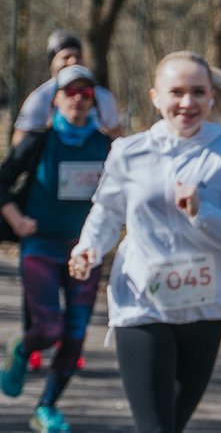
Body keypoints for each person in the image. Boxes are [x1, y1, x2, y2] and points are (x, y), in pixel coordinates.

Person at [68, 50, 221, 433]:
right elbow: (107, 214)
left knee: (170, 426)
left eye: (197, 92)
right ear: (155, 97)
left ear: (211, 96)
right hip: (140, 306)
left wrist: (203, 214)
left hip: (204, 309)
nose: (187, 103)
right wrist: (88, 249)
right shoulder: (127, 153)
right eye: (176, 91)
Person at [0, 65, 112, 433]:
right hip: (41, 247)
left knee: (76, 334)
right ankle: (20, 349)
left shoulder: (106, 146)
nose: (79, 99)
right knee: (48, 327)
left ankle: (46, 407)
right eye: (71, 92)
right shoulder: (38, 141)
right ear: (56, 99)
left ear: (94, 101)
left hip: (84, 253)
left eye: (86, 93)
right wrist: (16, 219)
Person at [12, 29, 123, 147]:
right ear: (52, 62)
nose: (73, 61)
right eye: (66, 57)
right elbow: (19, 141)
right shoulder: (39, 98)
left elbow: (117, 135)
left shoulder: (102, 97)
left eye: (77, 56)